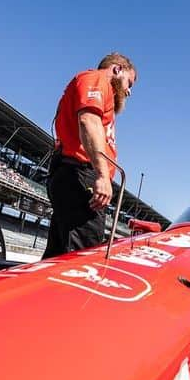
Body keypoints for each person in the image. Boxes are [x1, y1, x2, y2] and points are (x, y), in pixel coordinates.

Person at [43, 53, 137, 258]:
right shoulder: (97, 79)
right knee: (83, 257)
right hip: (80, 175)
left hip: (76, 176)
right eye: (129, 83)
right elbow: (88, 121)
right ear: (116, 69)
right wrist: (102, 175)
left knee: (57, 256)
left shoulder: (106, 97)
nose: (129, 91)